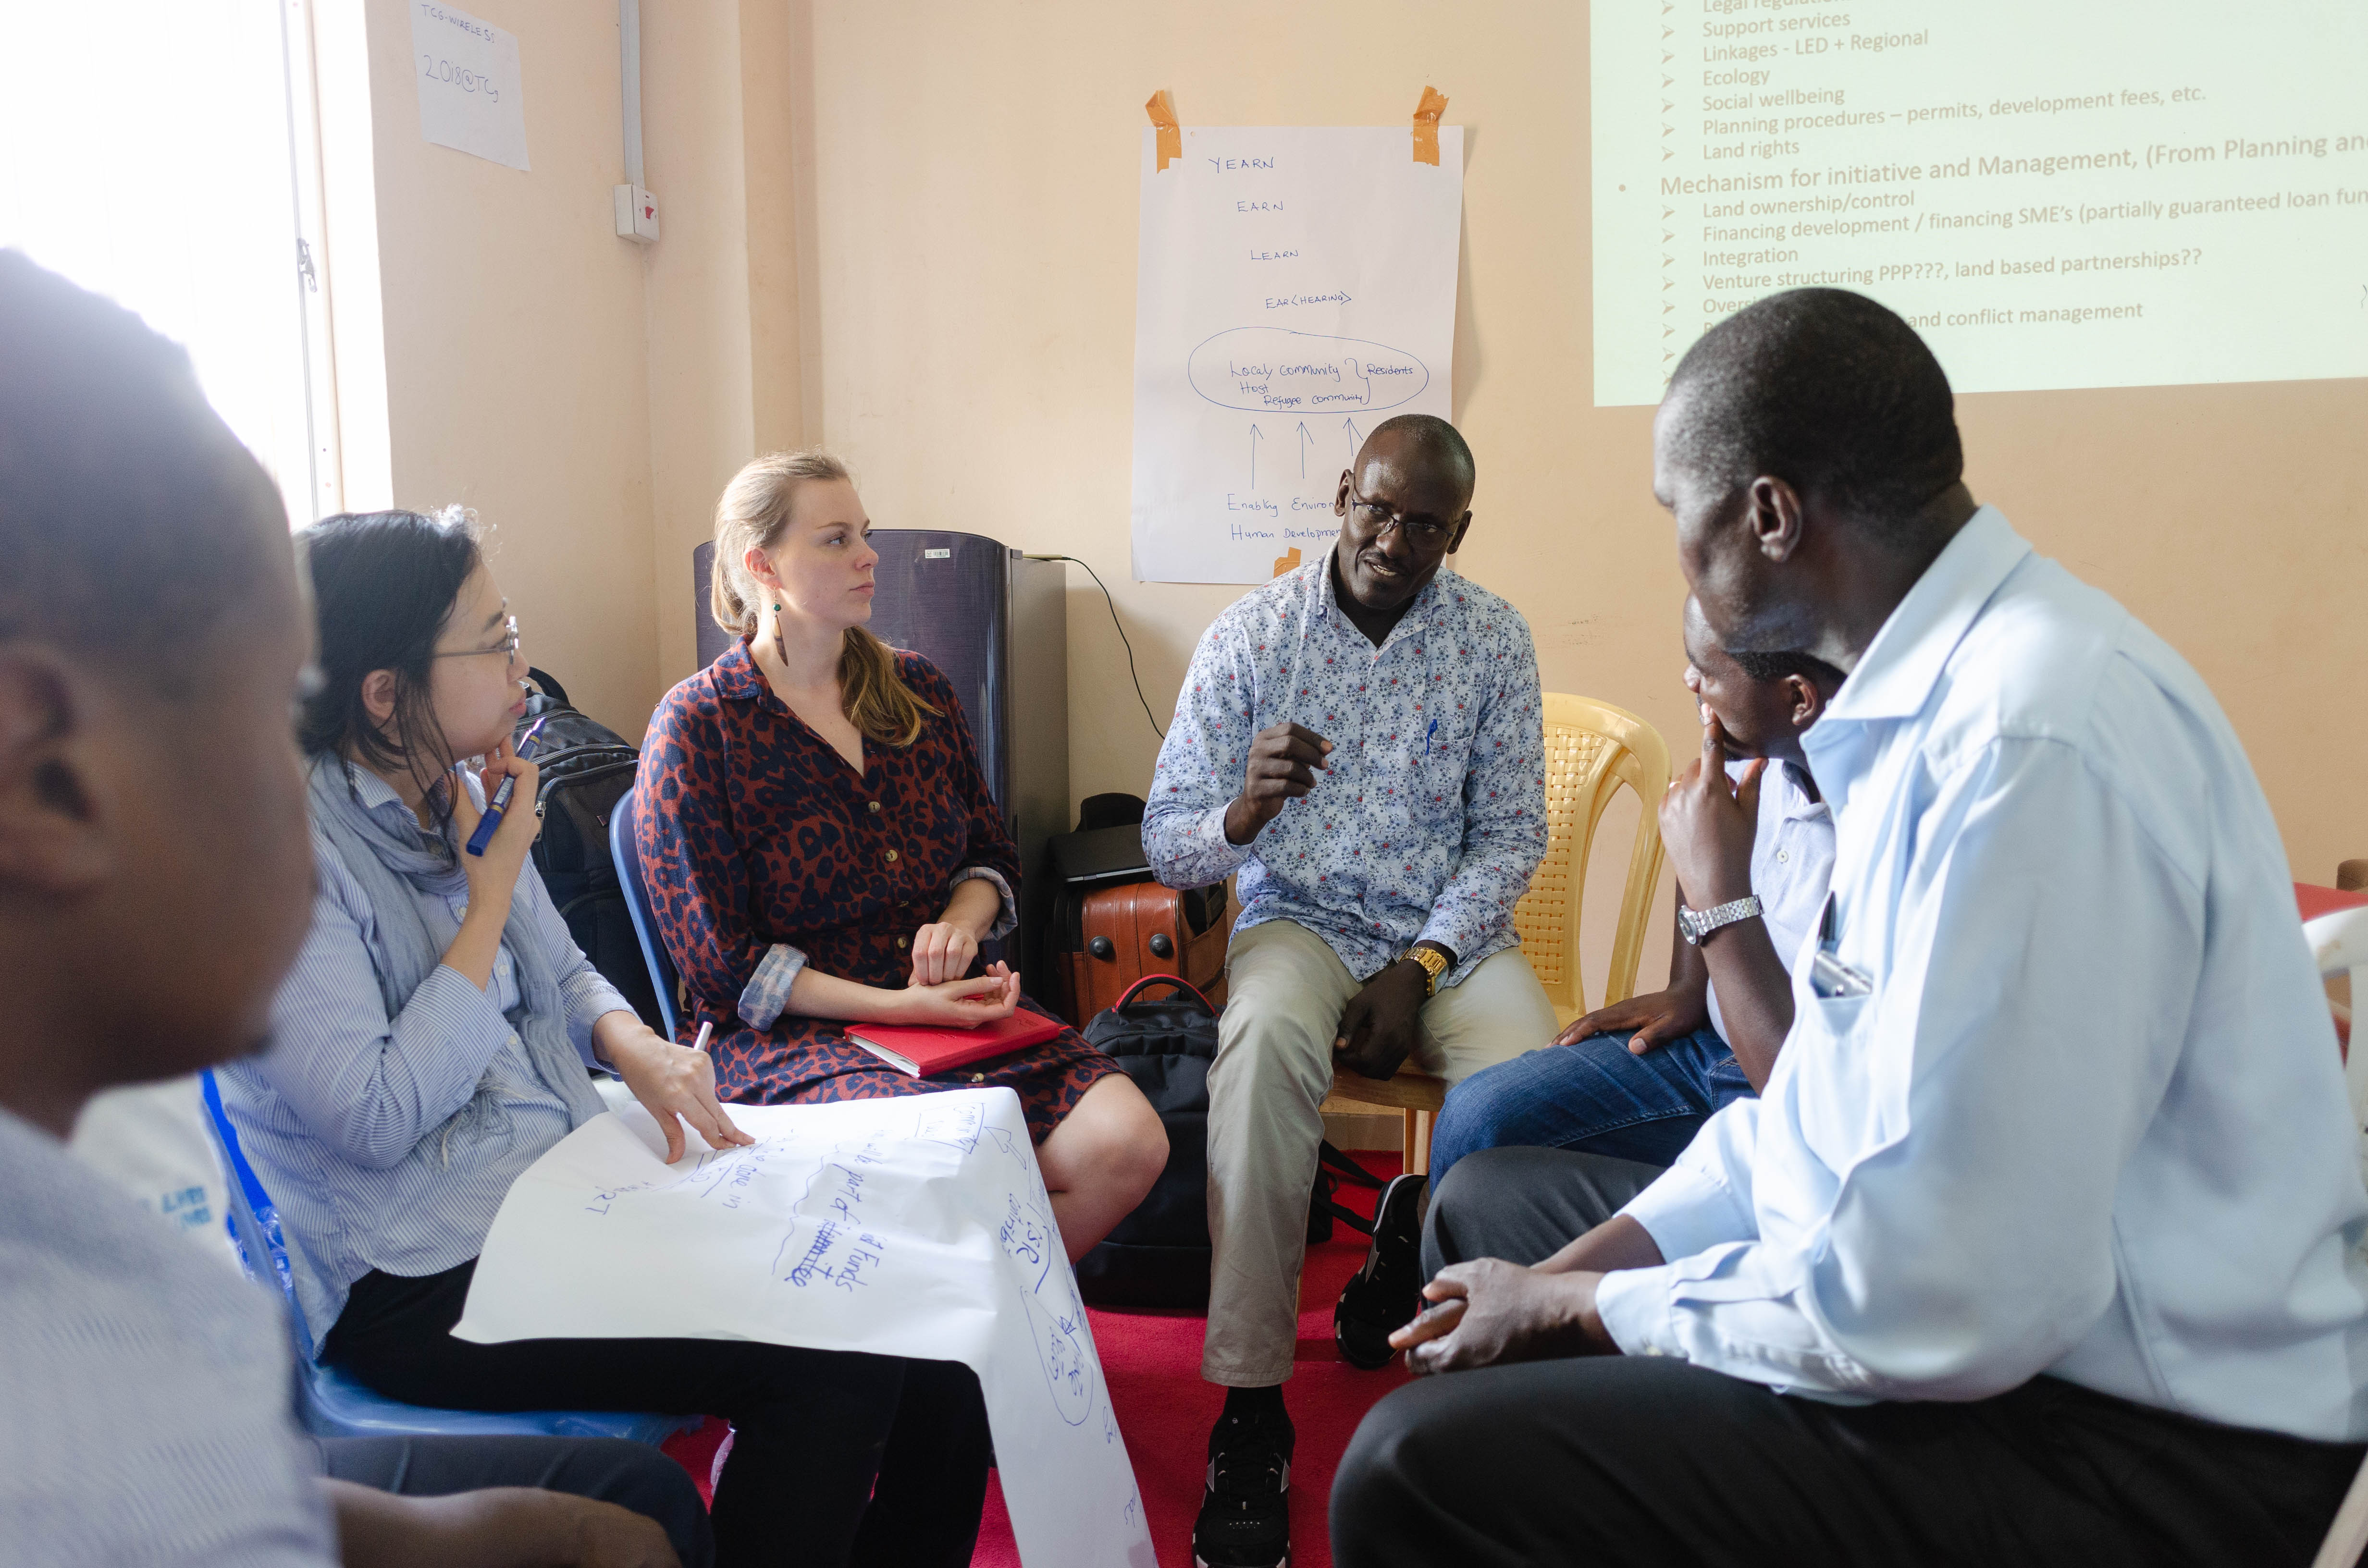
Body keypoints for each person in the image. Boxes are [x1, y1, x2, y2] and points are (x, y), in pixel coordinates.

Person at [1332, 288, 2368, 1568]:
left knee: (1412, 1476)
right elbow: (1820, 1120)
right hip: (1997, 1341)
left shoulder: (2027, 747)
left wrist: (1587, 1308)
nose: (1677, 565)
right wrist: (1569, 1284)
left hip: (2145, 1445)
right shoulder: (1926, 712)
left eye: (1678, 516)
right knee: (1496, 1217)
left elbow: (1932, 1308)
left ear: (1770, 517)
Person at [0, 249, 701, 1566]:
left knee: (633, 1516)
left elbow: (218, 1478)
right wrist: (486, 904)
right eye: (264, 706)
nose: (307, 779)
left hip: (545, 1189)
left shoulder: (114, 1210)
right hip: (433, 1258)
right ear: (47, 767)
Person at [221, 503, 993, 1568]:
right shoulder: (283, 858)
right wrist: (485, 900)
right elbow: (373, 1116)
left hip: (558, 1187)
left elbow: (566, 970)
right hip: (422, 1281)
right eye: (494, 643)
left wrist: (633, 1043)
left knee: (925, 1299)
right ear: (385, 692)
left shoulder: (452, 783)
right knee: (828, 1367)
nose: (523, 671)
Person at [1143, 413, 1555, 1568]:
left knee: (1527, 1096)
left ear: (1457, 532)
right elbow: (1169, 842)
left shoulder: (1492, 641)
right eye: (1377, 508)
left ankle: (1435, 1284)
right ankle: (1250, 1403)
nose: (1394, 537)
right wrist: (1242, 814)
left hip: (1446, 944)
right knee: (1263, 1045)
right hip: (1302, 926)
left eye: (1426, 523)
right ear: (1341, 494)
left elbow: (1511, 837)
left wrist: (1420, 966)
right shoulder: (1249, 637)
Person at [635, 450, 1166, 1262]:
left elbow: (990, 854)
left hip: (940, 1017)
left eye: (866, 534)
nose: (868, 555)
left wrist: (959, 925)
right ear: (762, 566)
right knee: (958, 1162)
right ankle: (934, 1345)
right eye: (836, 539)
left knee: (1130, 1142)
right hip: (791, 1039)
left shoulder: (918, 689)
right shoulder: (698, 728)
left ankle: (975, 1332)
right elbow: (723, 971)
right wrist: (897, 1010)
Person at [1332, 597, 1840, 1363]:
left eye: (1707, 670)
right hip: (1709, 1041)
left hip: (1780, 1078)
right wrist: (1684, 988)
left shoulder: (1890, 821)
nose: (1687, 681)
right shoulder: (1745, 745)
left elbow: (1809, 1098)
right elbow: (1701, 848)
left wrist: (1724, 901)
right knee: (1477, 1116)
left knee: (1508, 1177)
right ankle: (1443, 1303)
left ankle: (1528, 1347)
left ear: (1799, 698)